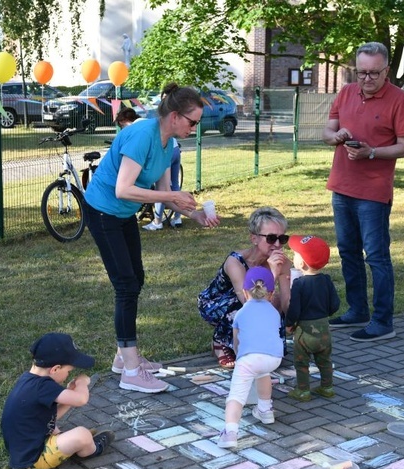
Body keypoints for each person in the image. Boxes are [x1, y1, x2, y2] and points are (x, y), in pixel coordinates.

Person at [83, 82, 220, 393]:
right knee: (126, 285)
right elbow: (123, 188)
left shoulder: (167, 145)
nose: (194, 128)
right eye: (192, 122)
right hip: (103, 210)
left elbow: (163, 194)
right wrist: (173, 194)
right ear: (174, 116)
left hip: (122, 214)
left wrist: (195, 215)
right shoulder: (141, 134)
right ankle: (131, 372)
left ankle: (124, 357)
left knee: (137, 279)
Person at [322, 41, 404, 342]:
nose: (367, 79)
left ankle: (383, 321)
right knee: (348, 252)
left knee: (376, 256)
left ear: (386, 70)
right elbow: (327, 132)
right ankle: (357, 310)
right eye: (361, 72)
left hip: (373, 192)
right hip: (342, 186)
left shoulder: (400, 100)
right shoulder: (346, 92)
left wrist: (371, 152)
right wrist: (337, 136)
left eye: (374, 73)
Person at [1, 332, 115, 469]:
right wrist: (82, 383)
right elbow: (81, 399)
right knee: (82, 434)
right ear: (55, 369)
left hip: (25, 449)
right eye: (68, 371)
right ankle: (92, 449)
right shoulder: (44, 387)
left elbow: (49, 416)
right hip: (35, 458)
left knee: (59, 429)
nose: (68, 375)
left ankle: (69, 443)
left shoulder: (29, 380)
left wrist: (68, 396)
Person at [198, 206, 292, 368]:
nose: (277, 244)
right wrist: (273, 275)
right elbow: (248, 302)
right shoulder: (236, 262)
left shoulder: (282, 262)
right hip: (218, 304)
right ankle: (220, 343)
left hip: (250, 302)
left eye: (282, 239)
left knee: (274, 302)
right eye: (270, 238)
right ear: (254, 239)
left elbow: (285, 303)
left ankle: (260, 346)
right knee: (241, 303)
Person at [216, 267, 284, 448]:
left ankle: (230, 433)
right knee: (263, 373)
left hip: (249, 358)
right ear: (271, 294)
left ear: (245, 292)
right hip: (274, 358)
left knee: (236, 396)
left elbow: (237, 341)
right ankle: (265, 410)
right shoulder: (274, 312)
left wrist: (239, 357)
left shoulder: (241, 313)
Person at [284, 235, 340, 402]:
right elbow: (335, 304)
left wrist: (289, 324)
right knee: (324, 360)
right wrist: (325, 313)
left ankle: (303, 390)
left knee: (302, 362)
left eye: (295, 254)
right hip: (324, 329)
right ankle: (327, 387)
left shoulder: (299, 284)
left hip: (305, 331)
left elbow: (295, 309)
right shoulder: (326, 280)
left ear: (301, 263)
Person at [141, 138, 182, 230]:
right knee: (175, 184)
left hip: (165, 152)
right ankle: (177, 218)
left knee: (161, 188)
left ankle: (157, 222)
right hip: (175, 148)